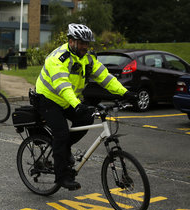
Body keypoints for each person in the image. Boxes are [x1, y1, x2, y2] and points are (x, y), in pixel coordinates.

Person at [35, 23, 137, 190]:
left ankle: (64, 148)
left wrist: (124, 93)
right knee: (61, 133)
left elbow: (105, 77)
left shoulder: (88, 58)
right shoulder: (58, 58)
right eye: (81, 43)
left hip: (67, 99)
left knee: (87, 118)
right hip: (48, 99)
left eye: (87, 43)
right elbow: (62, 85)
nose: (85, 47)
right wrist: (76, 104)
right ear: (71, 41)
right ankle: (62, 177)